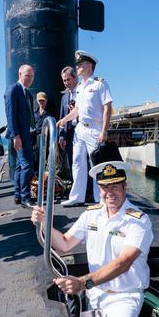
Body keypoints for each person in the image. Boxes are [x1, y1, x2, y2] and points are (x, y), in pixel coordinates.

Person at [30, 143, 153, 317]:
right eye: (104, 187)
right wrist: (44, 223)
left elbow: (123, 263)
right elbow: (64, 244)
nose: (109, 192)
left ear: (125, 187)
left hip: (124, 298)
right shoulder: (91, 215)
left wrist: (82, 282)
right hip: (94, 294)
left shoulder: (138, 221)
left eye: (115, 186)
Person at [57, 51, 113, 207]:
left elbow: (107, 108)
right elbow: (77, 110)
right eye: (77, 64)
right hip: (80, 129)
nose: (78, 67)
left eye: (80, 64)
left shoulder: (100, 84)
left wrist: (104, 131)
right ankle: (77, 196)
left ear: (89, 66)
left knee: (96, 164)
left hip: (95, 130)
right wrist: (64, 119)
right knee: (77, 162)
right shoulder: (80, 87)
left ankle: (99, 198)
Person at [5, 64, 36, 206]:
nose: (30, 79)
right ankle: (25, 197)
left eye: (32, 76)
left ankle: (18, 194)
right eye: (27, 76)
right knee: (27, 165)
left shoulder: (28, 94)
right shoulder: (13, 90)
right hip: (20, 135)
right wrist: (15, 136)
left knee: (19, 165)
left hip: (28, 134)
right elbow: (10, 115)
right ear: (19, 74)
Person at [58, 66, 78, 174]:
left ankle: (88, 189)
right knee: (71, 161)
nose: (66, 83)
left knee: (84, 161)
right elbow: (62, 118)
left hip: (81, 130)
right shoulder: (64, 97)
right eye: (64, 80)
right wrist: (61, 136)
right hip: (69, 133)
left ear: (75, 78)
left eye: (68, 79)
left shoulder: (82, 92)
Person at [33, 91, 53, 173]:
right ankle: (35, 179)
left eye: (43, 100)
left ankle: (44, 180)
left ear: (46, 101)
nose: (41, 102)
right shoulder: (34, 113)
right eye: (39, 100)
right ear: (37, 101)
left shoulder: (50, 114)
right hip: (35, 141)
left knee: (45, 160)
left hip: (46, 140)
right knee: (35, 160)